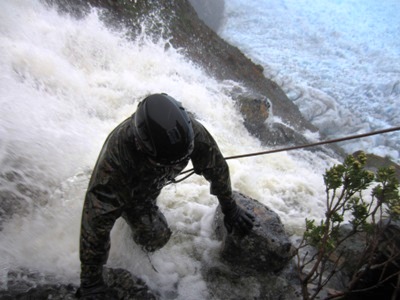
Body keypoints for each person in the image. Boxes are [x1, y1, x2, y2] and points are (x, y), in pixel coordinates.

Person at [78, 93, 254, 298]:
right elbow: (97, 215)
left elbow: (217, 168)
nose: (173, 166)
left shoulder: (191, 134)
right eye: (165, 163)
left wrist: (230, 208)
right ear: (140, 145)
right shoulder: (118, 154)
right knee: (148, 231)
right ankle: (129, 219)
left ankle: (135, 223)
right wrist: (91, 282)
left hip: (150, 188)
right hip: (131, 189)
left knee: (155, 237)